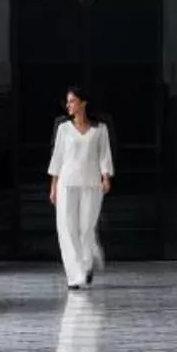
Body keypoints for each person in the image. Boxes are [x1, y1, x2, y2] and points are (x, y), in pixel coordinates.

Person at [47, 84, 113, 289]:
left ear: (83, 102)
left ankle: (86, 266)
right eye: (67, 102)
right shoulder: (63, 129)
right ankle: (75, 275)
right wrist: (53, 187)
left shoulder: (100, 129)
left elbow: (104, 154)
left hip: (92, 184)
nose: (68, 105)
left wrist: (106, 177)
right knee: (67, 229)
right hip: (66, 184)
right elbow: (57, 158)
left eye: (72, 101)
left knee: (86, 228)